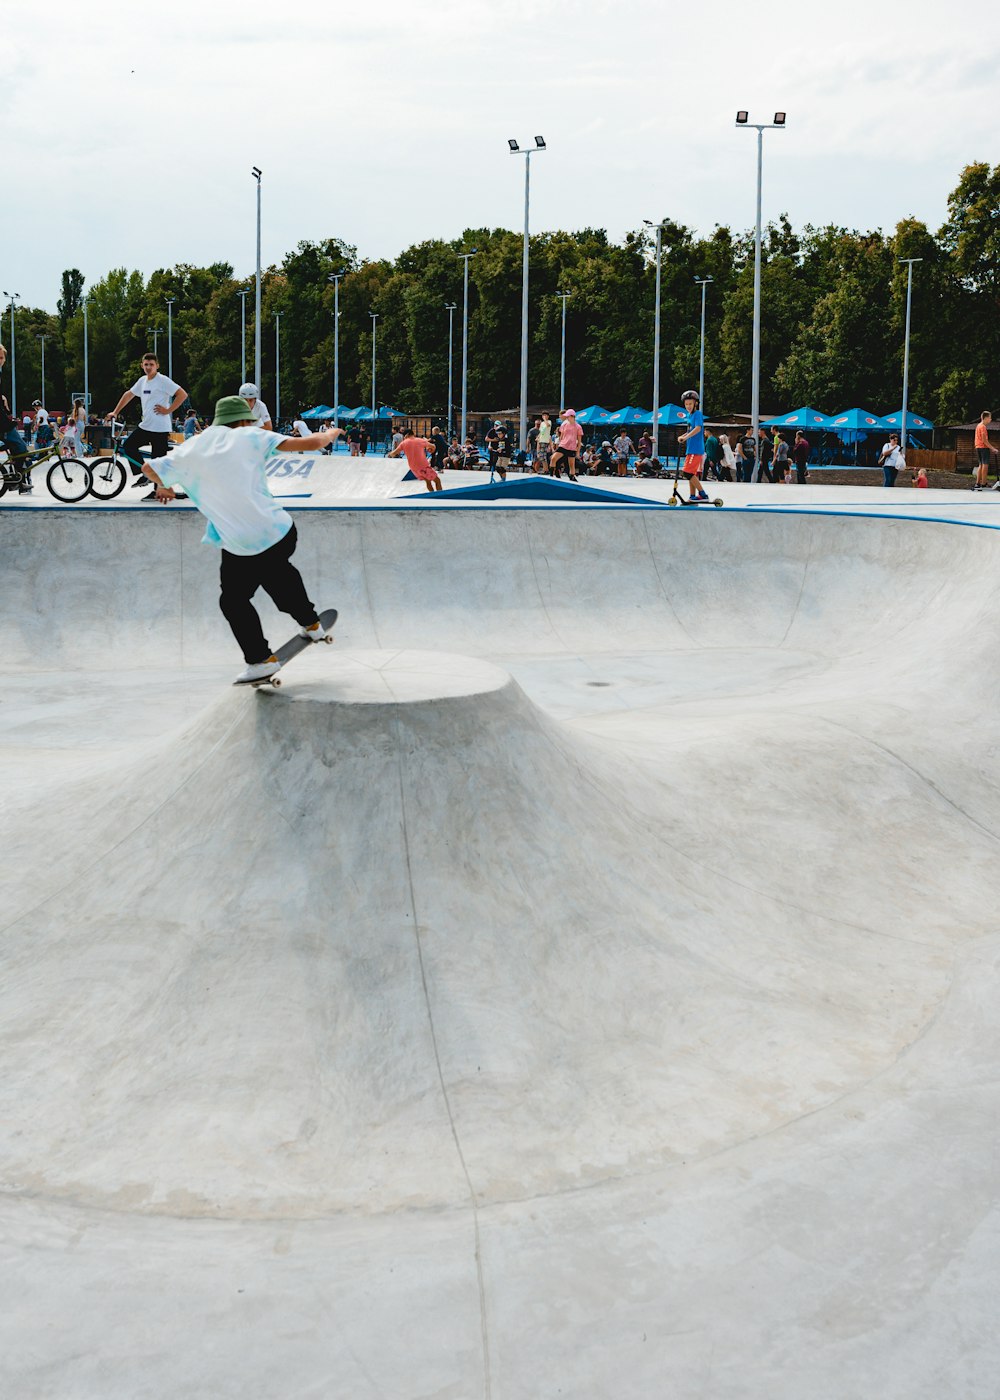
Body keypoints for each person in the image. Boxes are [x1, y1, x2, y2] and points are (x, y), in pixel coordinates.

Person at [138, 394, 341, 684]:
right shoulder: (253, 435)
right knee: (275, 575)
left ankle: (260, 660)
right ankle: (310, 623)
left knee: (234, 600)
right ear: (244, 420)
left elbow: (149, 469)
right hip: (277, 531)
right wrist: (331, 433)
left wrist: (165, 487)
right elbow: (311, 444)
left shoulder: (191, 447)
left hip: (236, 542)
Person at [105, 352, 187, 497]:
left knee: (158, 460)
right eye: (146, 364)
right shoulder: (142, 381)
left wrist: (168, 410)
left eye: (151, 365)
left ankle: (157, 492)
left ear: (157, 366)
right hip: (146, 426)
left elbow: (182, 394)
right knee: (128, 446)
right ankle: (145, 473)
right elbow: (128, 395)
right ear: (142, 365)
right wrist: (115, 412)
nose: (148, 367)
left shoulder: (163, 380)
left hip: (160, 428)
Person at [0, 343, 32, 493]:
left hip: (3, 421)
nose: (1, 360)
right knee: (21, 448)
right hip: (2, 424)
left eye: (2, 358)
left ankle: (17, 480)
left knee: (17, 448)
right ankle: (17, 482)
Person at [676, 390, 708, 502]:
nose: (688, 406)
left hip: (696, 449)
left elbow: (698, 428)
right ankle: (692, 496)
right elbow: (690, 430)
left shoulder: (697, 414)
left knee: (687, 472)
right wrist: (683, 436)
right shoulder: (689, 416)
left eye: (690, 404)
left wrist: (685, 437)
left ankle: (703, 495)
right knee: (691, 473)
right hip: (690, 449)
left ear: (696, 403)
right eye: (686, 404)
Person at [550, 408, 583, 481]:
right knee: (553, 458)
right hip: (563, 445)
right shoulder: (564, 424)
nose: (567, 417)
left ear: (572, 416)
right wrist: (560, 443)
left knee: (571, 464)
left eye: (568, 416)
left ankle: (572, 477)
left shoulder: (578, 427)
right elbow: (561, 435)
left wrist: (578, 451)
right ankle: (551, 474)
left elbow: (579, 440)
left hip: (572, 447)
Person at [974, 411, 996, 489]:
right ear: (986, 418)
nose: (990, 419)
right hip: (983, 447)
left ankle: (978, 483)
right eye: (990, 418)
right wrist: (992, 448)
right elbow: (984, 440)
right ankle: (983, 483)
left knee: (980, 465)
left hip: (978, 447)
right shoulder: (983, 427)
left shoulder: (978, 426)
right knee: (985, 465)